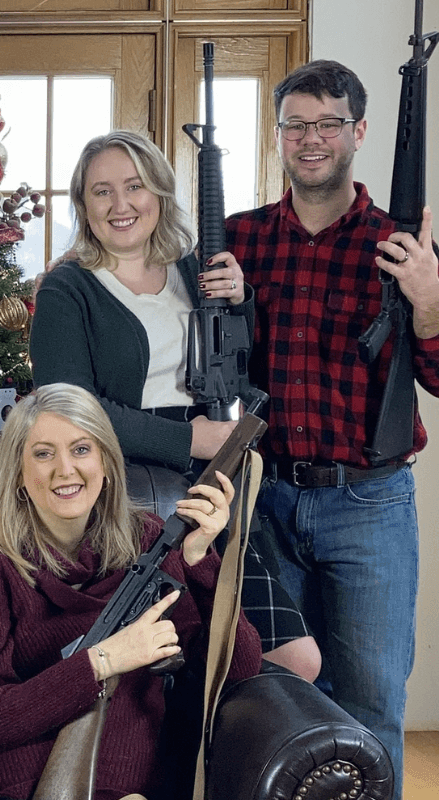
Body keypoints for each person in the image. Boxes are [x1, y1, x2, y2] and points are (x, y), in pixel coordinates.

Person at [29, 130, 320, 681]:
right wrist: (190, 440)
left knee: (291, 657)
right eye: (101, 191)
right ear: (83, 204)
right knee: (161, 661)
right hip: (128, 490)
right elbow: (67, 409)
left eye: (134, 187)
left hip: (215, 480)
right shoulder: (68, 289)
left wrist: (242, 302)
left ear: (159, 194)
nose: (120, 205)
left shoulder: (192, 270)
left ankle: (225, 764)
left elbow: (232, 369)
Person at [225, 60, 439, 800]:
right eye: (296, 125)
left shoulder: (403, 248)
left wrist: (429, 302)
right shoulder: (241, 240)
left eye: (327, 124)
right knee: (273, 689)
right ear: (278, 134)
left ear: (359, 132)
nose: (311, 140)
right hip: (266, 499)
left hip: (369, 507)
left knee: (372, 695)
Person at [0, 382, 261, 800]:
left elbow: (240, 670)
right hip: (18, 785)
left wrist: (201, 560)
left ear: (105, 460)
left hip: (130, 784)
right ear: (19, 474)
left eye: (81, 449)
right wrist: (103, 660)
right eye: (43, 453)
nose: (65, 470)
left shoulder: (154, 540)